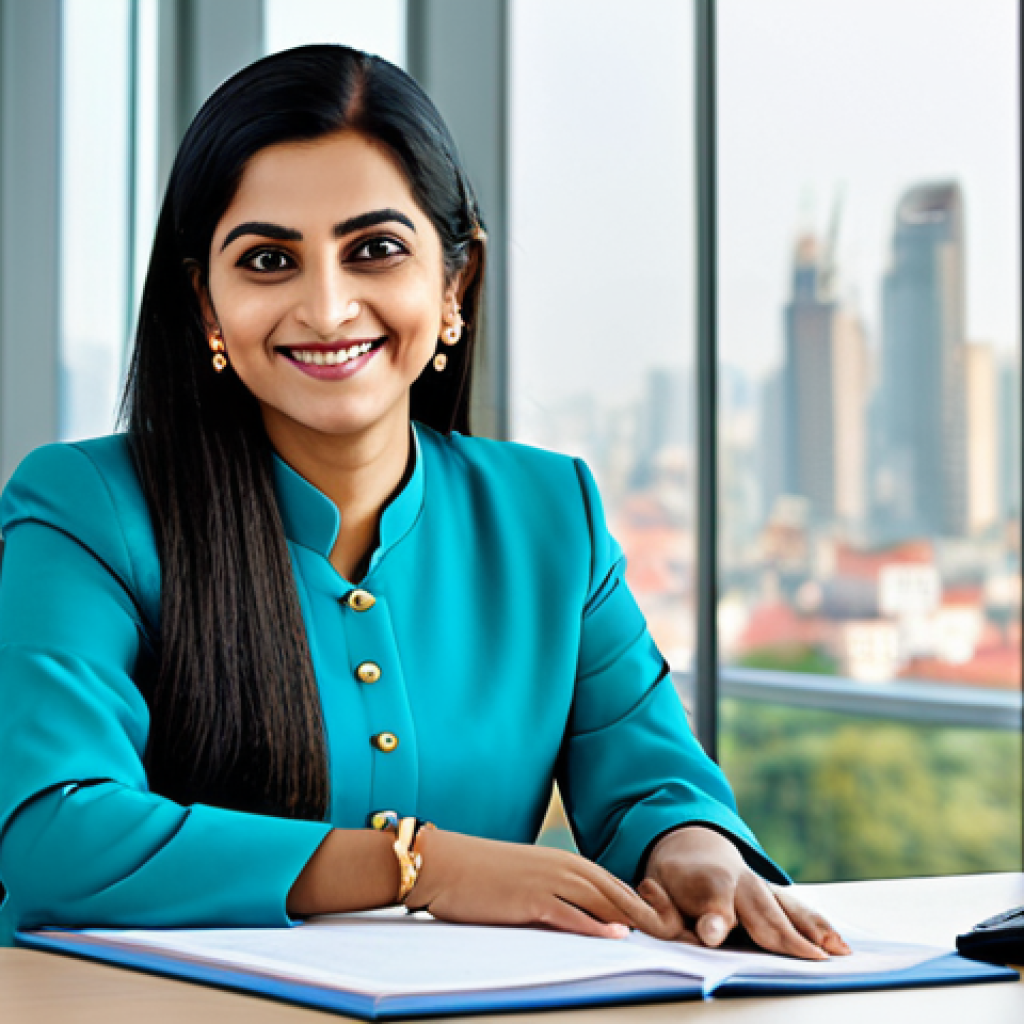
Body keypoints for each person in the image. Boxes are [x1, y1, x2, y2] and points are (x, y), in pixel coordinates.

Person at [0, 44, 848, 959]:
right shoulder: (83, 509)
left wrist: (695, 849)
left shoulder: (550, 514)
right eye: (268, 260)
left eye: (374, 251)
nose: (326, 309)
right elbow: (59, 835)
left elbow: (653, 781)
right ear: (206, 304)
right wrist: (420, 867)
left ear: (454, 284)